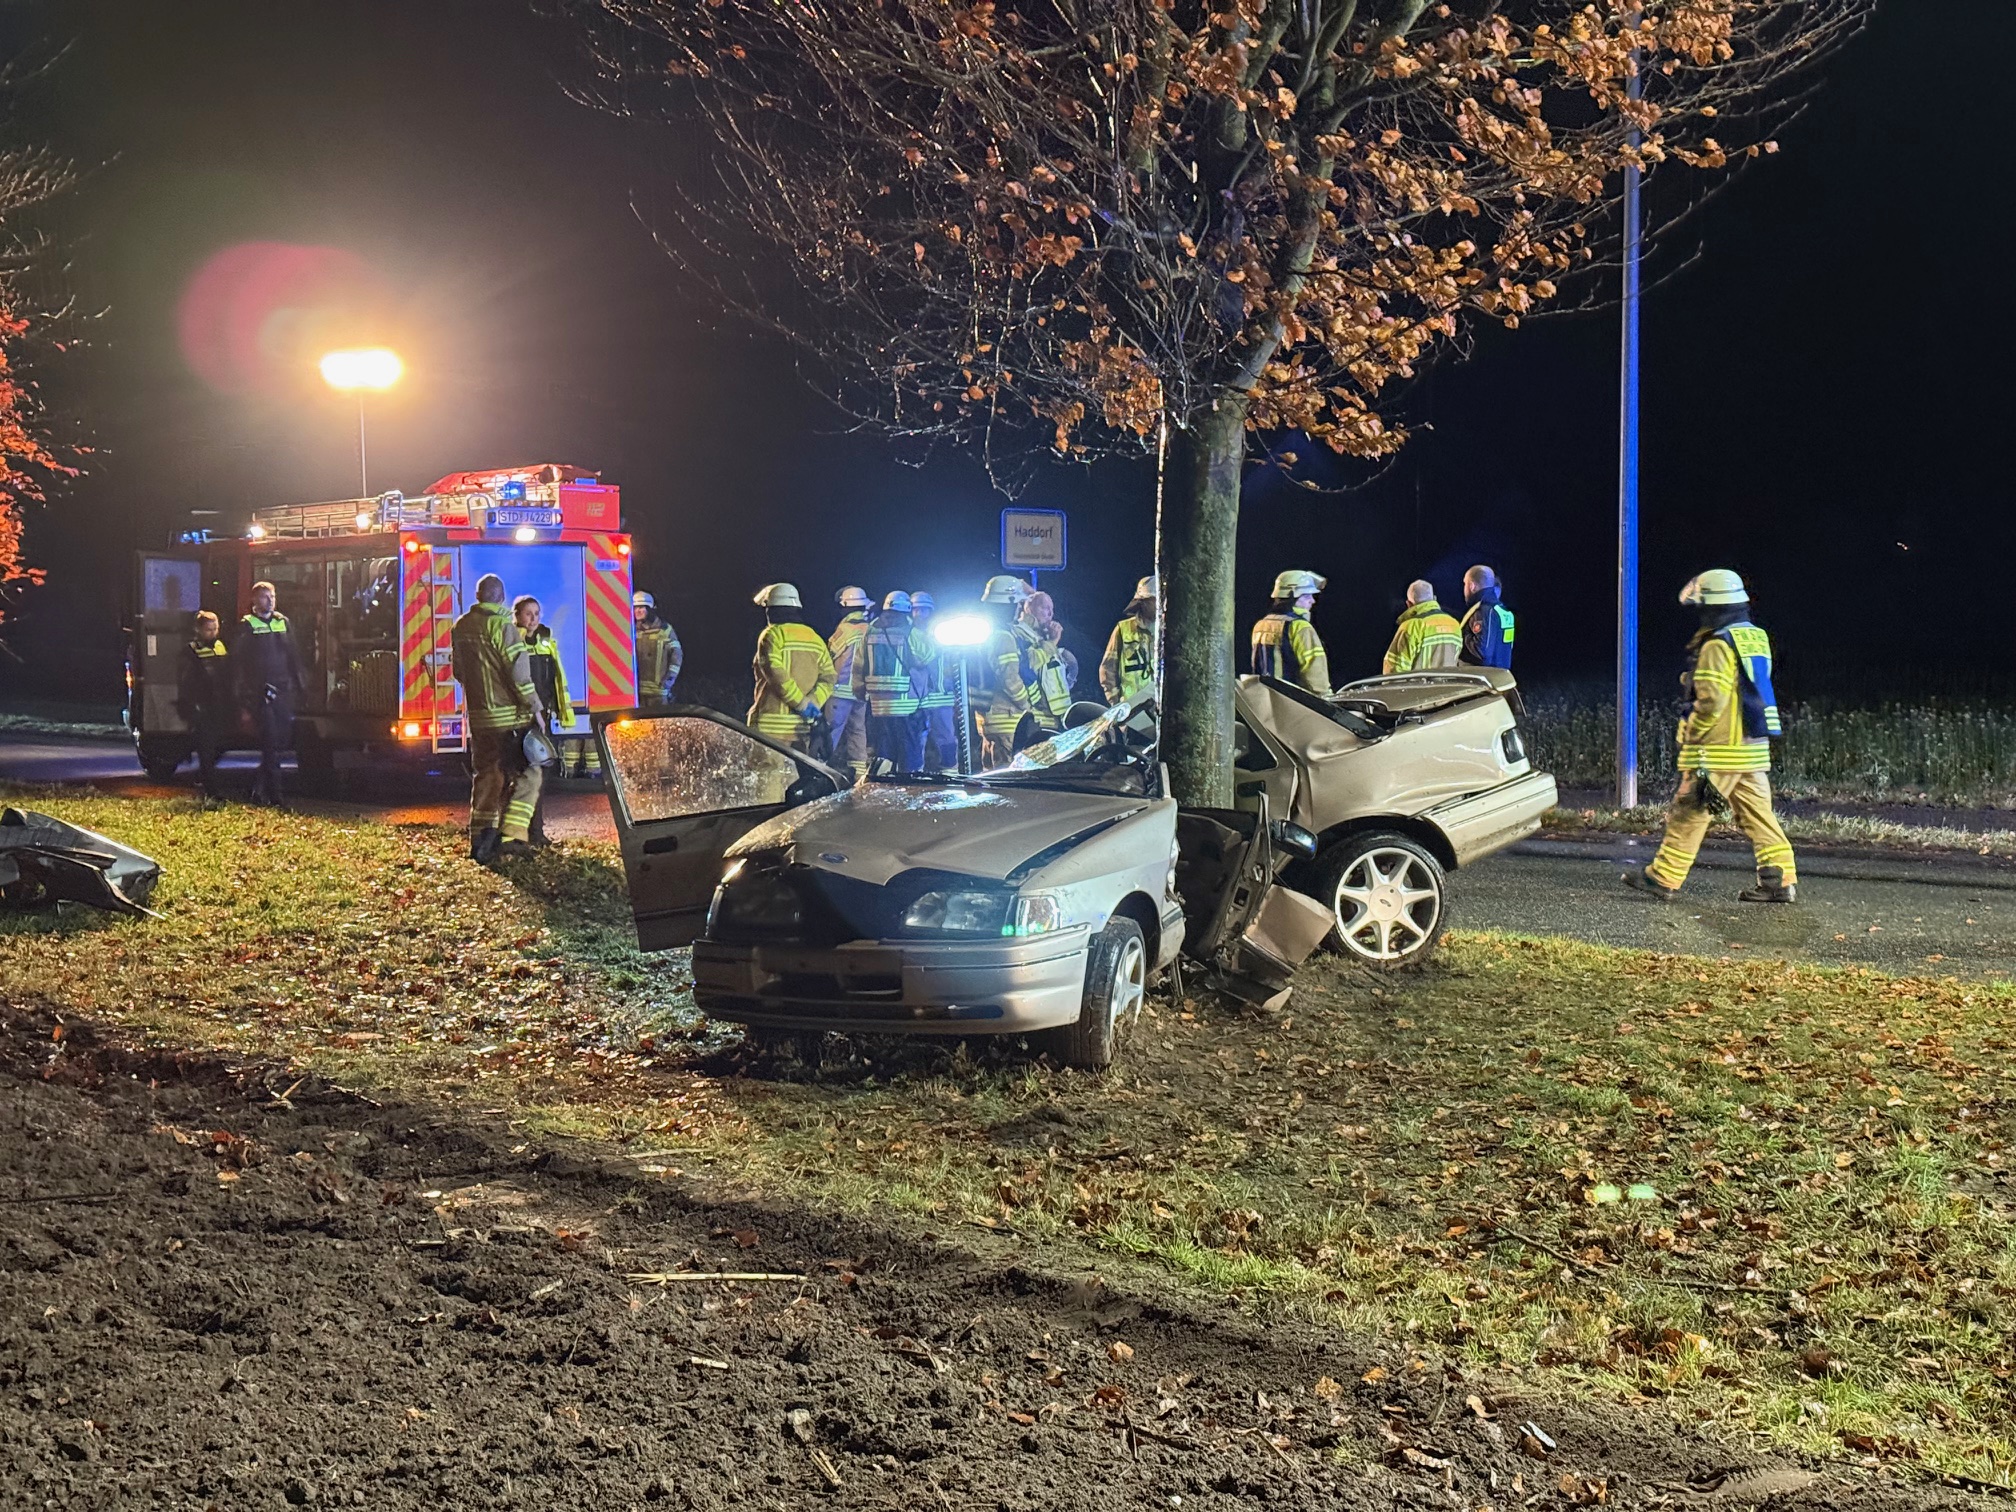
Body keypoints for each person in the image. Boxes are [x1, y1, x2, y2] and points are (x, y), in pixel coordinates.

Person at [1623, 570, 1797, 904]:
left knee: (1689, 811)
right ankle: (1780, 880)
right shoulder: (1753, 636)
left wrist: (1692, 733)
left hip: (1719, 750)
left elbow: (1712, 699)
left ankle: (1663, 878)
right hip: (1751, 746)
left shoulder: (1717, 644)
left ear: (1713, 606)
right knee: (1758, 815)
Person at [451, 573, 545, 863]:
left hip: (480, 720)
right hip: (510, 719)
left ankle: (481, 838)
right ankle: (513, 837)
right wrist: (535, 708)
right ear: (502, 598)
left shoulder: (461, 625)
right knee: (530, 773)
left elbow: (458, 671)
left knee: (487, 776)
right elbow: (519, 675)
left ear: (478, 596)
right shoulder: (502, 626)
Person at [232, 580, 305, 808]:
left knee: (281, 743)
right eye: (265, 596)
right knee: (271, 744)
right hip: (261, 693)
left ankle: (256, 787)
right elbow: (238, 663)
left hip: (284, 692)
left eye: (272, 596)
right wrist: (243, 698)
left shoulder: (283, 622)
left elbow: (293, 655)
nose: (271, 600)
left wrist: (300, 686)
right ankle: (276, 798)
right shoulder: (247, 626)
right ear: (254, 600)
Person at [747, 582, 836, 753]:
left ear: (771, 609)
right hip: (801, 728)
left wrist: (802, 704)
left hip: (771, 729)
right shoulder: (814, 637)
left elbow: (776, 674)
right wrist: (812, 705)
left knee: (768, 777)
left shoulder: (772, 634)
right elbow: (829, 677)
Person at [515, 595, 574, 847]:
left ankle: (536, 833)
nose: (533, 619)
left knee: (539, 777)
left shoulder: (547, 643)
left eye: (537, 614)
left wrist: (559, 711)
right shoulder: (512, 642)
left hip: (542, 720)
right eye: (528, 614)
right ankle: (520, 834)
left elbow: (557, 680)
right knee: (521, 778)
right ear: (516, 615)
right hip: (519, 720)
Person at [862, 591, 928, 772]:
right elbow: (924, 657)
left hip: (878, 706)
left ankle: (880, 789)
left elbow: (860, 664)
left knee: (883, 754)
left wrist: (860, 692)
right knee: (909, 755)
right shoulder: (910, 632)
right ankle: (909, 793)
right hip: (906, 705)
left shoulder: (871, 631)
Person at [973, 574, 1035, 767]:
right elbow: (1009, 678)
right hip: (1007, 719)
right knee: (1007, 778)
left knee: (990, 778)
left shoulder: (986, 632)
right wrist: (1026, 704)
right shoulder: (1003, 637)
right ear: (1010, 605)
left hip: (989, 718)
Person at [176, 610, 234, 802]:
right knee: (207, 748)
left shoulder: (220, 646)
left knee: (221, 744)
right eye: (209, 629)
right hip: (201, 706)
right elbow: (185, 681)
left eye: (215, 628)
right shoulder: (191, 650)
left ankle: (200, 768)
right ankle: (212, 792)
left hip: (219, 705)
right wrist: (192, 705)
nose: (213, 632)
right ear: (198, 629)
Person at [1251, 570, 1332, 695]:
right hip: (1294, 704)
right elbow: (1315, 676)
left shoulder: (1261, 625)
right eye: (1306, 596)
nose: (1312, 601)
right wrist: (1326, 699)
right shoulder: (1300, 627)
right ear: (1293, 596)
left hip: (1264, 701)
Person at [825, 586, 873, 779]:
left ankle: (820, 771)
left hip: (841, 691)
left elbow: (829, 654)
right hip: (862, 691)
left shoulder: (845, 629)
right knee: (858, 731)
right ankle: (859, 775)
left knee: (830, 731)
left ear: (844, 607)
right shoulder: (870, 629)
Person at [909, 591, 958, 772]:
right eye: (916, 610)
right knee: (916, 739)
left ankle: (951, 773)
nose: (920, 614)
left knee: (947, 739)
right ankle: (916, 775)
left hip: (941, 696)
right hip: (917, 698)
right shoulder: (908, 634)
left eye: (924, 610)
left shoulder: (941, 632)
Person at [1017, 590, 1074, 734]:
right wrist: (1052, 642)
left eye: (1052, 609)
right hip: (1035, 717)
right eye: (1045, 607)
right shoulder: (1019, 633)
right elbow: (1030, 664)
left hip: (1055, 717)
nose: (1050, 614)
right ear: (1028, 608)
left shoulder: (1043, 636)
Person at [1382, 579, 1463, 674]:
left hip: (1419, 688)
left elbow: (1394, 670)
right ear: (1434, 599)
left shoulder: (1411, 627)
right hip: (1448, 688)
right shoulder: (1454, 624)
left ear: (1409, 604)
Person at [1099, 576, 1157, 705]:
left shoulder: (1168, 630)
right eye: (1154, 600)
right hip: (1132, 712)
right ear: (1143, 602)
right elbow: (1107, 668)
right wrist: (1117, 705)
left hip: (1160, 711)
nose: (1159, 603)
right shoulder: (1123, 629)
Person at [1458, 565, 1516, 670]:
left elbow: (1482, 654)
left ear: (1472, 586)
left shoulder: (1483, 612)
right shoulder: (1503, 610)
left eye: (1465, 584)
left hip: (1481, 678)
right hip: (1501, 678)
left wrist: (1461, 636)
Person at [633, 591, 683, 705]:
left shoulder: (665, 630)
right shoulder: (633, 630)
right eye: (635, 608)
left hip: (658, 692)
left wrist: (669, 679)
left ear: (650, 609)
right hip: (638, 691)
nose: (637, 611)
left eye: (641, 607)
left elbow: (677, 656)